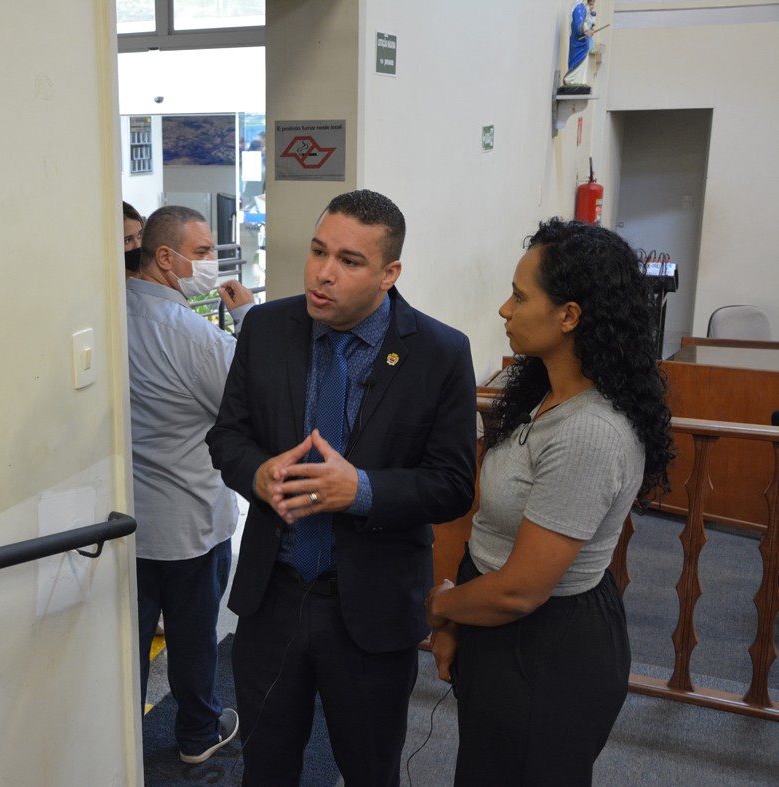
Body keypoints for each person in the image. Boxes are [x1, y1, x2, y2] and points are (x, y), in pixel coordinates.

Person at [206, 189, 477, 785]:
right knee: (265, 767)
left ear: (388, 274)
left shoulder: (439, 352)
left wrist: (362, 491)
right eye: (318, 251)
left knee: (369, 770)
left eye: (349, 261)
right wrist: (257, 474)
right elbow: (227, 436)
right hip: (273, 596)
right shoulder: (266, 327)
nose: (323, 274)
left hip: (372, 610)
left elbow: (453, 485)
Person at [424, 218, 673, 785]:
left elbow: (520, 590)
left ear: (569, 316)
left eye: (519, 297)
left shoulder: (590, 432)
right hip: (497, 622)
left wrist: (443, 606)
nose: (504, 310)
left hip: (546, 645)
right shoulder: (544, 393)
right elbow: (495, 536)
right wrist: (461, 618)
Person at [129, 205, 254, 764]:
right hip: (190, 524)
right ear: (164, 257)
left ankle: (122, 749)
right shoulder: (195, 338)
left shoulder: (106, 313)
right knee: (194, 637)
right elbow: (256, 399)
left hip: (129, 523)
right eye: (201, 253)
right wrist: (248, 319)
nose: (210, 264)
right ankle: (198, 735)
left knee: (128, 644)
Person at [563, 0, 598, 89]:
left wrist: (590, 28)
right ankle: (571, 79)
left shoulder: (583, 8)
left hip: (583, 41)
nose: (592, 3)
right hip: (578, 41)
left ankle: (580, 81)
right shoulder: (579, 8)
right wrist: (586, 30)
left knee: (583, 61)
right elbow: (577, 24)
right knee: (578, 58)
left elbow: (586, 21)